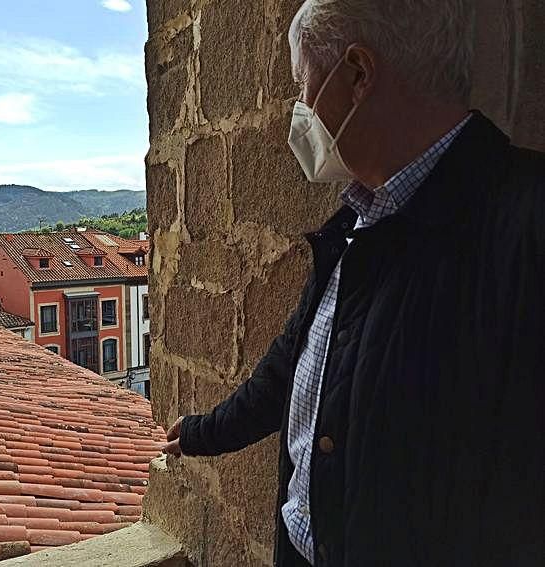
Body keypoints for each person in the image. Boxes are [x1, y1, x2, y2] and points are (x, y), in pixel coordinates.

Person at [163, 1, 545, 566]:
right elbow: (292, 371)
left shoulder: (524, 224)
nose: (298, 111)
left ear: (358, 75)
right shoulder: (354, 225)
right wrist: (198, 433)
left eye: (301, 86)